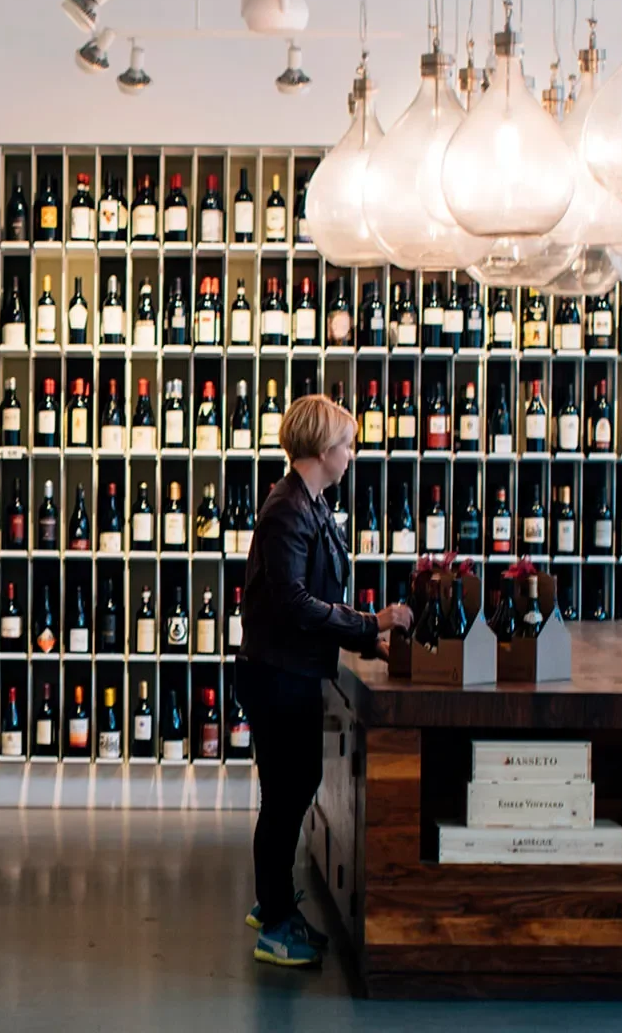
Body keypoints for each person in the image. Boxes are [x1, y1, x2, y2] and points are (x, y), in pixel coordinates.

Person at [237, 393, 410, 968]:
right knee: (287, 793)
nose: (353, 455)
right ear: (321, 448)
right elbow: (293, 602)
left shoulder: (308, 504)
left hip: (290, 670)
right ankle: (274, 921)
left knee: (290, 789)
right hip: (277, 674)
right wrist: (371, 621)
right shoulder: (288, 508)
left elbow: (317, 599)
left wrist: (369, 641)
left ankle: (276, 905)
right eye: (348, 445)